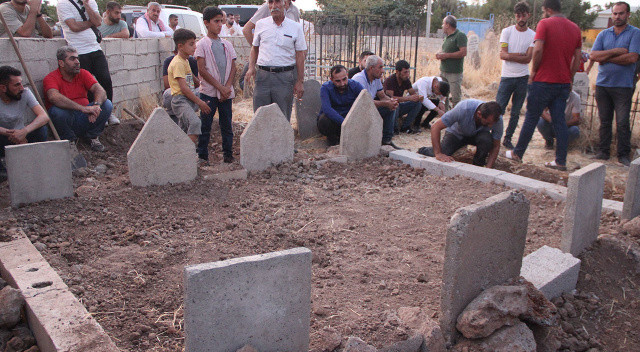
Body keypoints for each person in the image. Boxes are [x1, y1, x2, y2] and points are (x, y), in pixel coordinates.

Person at [505, 0, 582, 171]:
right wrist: (570, 78)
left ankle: (518, 153)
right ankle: (561, 161)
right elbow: (577, 59)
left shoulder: (545, 24)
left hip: (544, 80)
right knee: (560, 120)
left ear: (547, 9)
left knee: (531, 117)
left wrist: (534, 72)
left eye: (543, 11)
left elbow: (538, 50)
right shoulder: (575, 28)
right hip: (562, 82)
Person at [589, 1, 640, 166]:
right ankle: (603, 152)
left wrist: (606, 58)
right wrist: (616, 52)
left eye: (621, 13)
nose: (617, 17)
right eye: (615, 13)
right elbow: (594, 56)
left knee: (623, 122)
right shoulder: (604, 34)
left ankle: (623, 155)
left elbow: (632, 58)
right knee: (604, 121)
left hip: (623, 86)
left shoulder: (635, 33)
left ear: (628, 14)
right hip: (603, 84)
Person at [57, 0, 118, 125]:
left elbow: (98, 21)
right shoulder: (63, 3)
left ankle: (108, 112)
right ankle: (95, 112)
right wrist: (91, 22)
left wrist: (86, 4)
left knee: (105, 79)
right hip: (79, 51)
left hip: (95, 48)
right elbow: (74, 27)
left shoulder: (90, 2)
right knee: (88, 84)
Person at [245, 0, 306, 121]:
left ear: (285, 4)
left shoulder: (296, 27)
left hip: (284, 78)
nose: (274, 6)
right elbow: (254, 48)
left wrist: (300, 81)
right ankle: (262, 140)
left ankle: (281, 140)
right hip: (262, 77)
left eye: (277, 2)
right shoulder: (261, 24)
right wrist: (251, 67)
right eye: (270, 2)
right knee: (260, 117)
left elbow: (300, 55)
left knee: (282, 117)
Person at [44, 46, 112, 151]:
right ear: (61, 63)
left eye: (77, 58)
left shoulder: (83, 73)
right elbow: (54, 97)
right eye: (72, 59)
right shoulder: (51, 78)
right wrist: (83, 108)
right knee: (56, 112)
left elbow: (100, 91)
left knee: (106, 104)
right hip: (67, 120)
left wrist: (96, 105)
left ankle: (91, 137)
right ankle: (70, 141)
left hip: (85, 117)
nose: (77, 62)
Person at [196, 6, 237, 164]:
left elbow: (233, 67)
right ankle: (202, 155)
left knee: (226, 124)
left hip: (226, 92)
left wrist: (226, 87)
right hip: (209, 92)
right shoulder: (202, 45)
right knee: (205, 125)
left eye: (222, 21)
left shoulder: (227, 44)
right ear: (206, 23)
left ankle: (228, 154)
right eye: (216, 21)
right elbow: (202, 70)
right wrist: (219, 87)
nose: (220, 25)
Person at [495, 1, 535, 150]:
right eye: (518, 15)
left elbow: (528, 59)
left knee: (516, 112)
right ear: (515, 16)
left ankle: (508, 138)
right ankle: (495, 136)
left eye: (523, 15)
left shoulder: (533, 35)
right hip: (507, 76)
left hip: (523, 77)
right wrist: (519, 55)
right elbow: (502, 55)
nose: (521, 18)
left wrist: (511, 56)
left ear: (528, 15)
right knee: (499, 108)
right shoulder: (507, 31)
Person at [417, 100, 503, 168]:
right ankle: (423, 150)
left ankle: (478, 166)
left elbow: (495, 145)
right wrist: (438, 153)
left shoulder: (497, 120)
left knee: (486, 140)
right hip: (456, 133)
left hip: (477, 135)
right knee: (444, 152)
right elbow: (435, 127)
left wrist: (488, 169)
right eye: (487, 123)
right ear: (479, 114)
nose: (491, 126)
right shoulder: (463, 108)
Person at [0, 66, 49, 166]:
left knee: (42, 129)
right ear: (3, 88)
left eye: (21, 83)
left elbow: (44, 116)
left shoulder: (25, 93)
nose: (21, 87)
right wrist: (12, 134)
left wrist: (24, 131)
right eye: (16, 85)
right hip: (4, 137)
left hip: (23, 137)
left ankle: (37, 161)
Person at [168, 28, 210, 144]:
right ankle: (187, 151)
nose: (195, 47)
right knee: (195, 122)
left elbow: (191, 78)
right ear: (180, 46)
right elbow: (184, 88)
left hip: (187, 99)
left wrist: (202, 85)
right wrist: (200, 103)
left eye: (195, 43)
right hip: (180, 100)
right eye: (191, 44)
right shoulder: (177, 63)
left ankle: (179, 153)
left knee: (184, 129)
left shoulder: (185, 60)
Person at [352, 55, 399, 148]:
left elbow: (382, 96)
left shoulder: (376, 78)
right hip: (358, 111)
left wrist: (391, 101)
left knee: (392, 107)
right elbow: (365, 102)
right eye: (380, 67)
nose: (383, 71)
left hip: (368, 108)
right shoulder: (359, 79)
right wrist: (386, 103)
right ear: (371, 68)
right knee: (388, 107)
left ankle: (387, 140)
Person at [318, 65, 364, 145]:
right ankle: (332, 140)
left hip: (351, 119)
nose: (342, 83)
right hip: (335, 121)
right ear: (331, 80)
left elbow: (365, 101)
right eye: (338, 81)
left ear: (347, 76)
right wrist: (344, 122)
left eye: (344, 79)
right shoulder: (326, 88)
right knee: (324, 120)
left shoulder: (355, 86)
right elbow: (327, 109)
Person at [383, 60, 423, 134]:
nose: (407, 74)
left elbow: (413, 93)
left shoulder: (406, 80)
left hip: (400, 106)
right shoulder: (390, 81)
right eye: (405, 72)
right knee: (395, 104)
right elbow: (390, 98)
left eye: (408, 72)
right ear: (397, 72)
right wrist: (408, 98)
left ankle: (405, 127)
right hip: (391, 106)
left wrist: (418, 97)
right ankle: (394, 129)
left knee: (418, 104)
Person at [436, 15, 466, 110]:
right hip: (444, 71)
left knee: (455, 98)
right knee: (443, 96)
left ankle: (457, 120)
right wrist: (440, 54)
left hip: (454, 73)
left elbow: (463, 52)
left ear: (448, 25)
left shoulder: (460, 35)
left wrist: (446, 55)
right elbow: (446, 51)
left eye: (443, 23)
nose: (442, 26)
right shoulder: (447, 37)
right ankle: (446, 118)